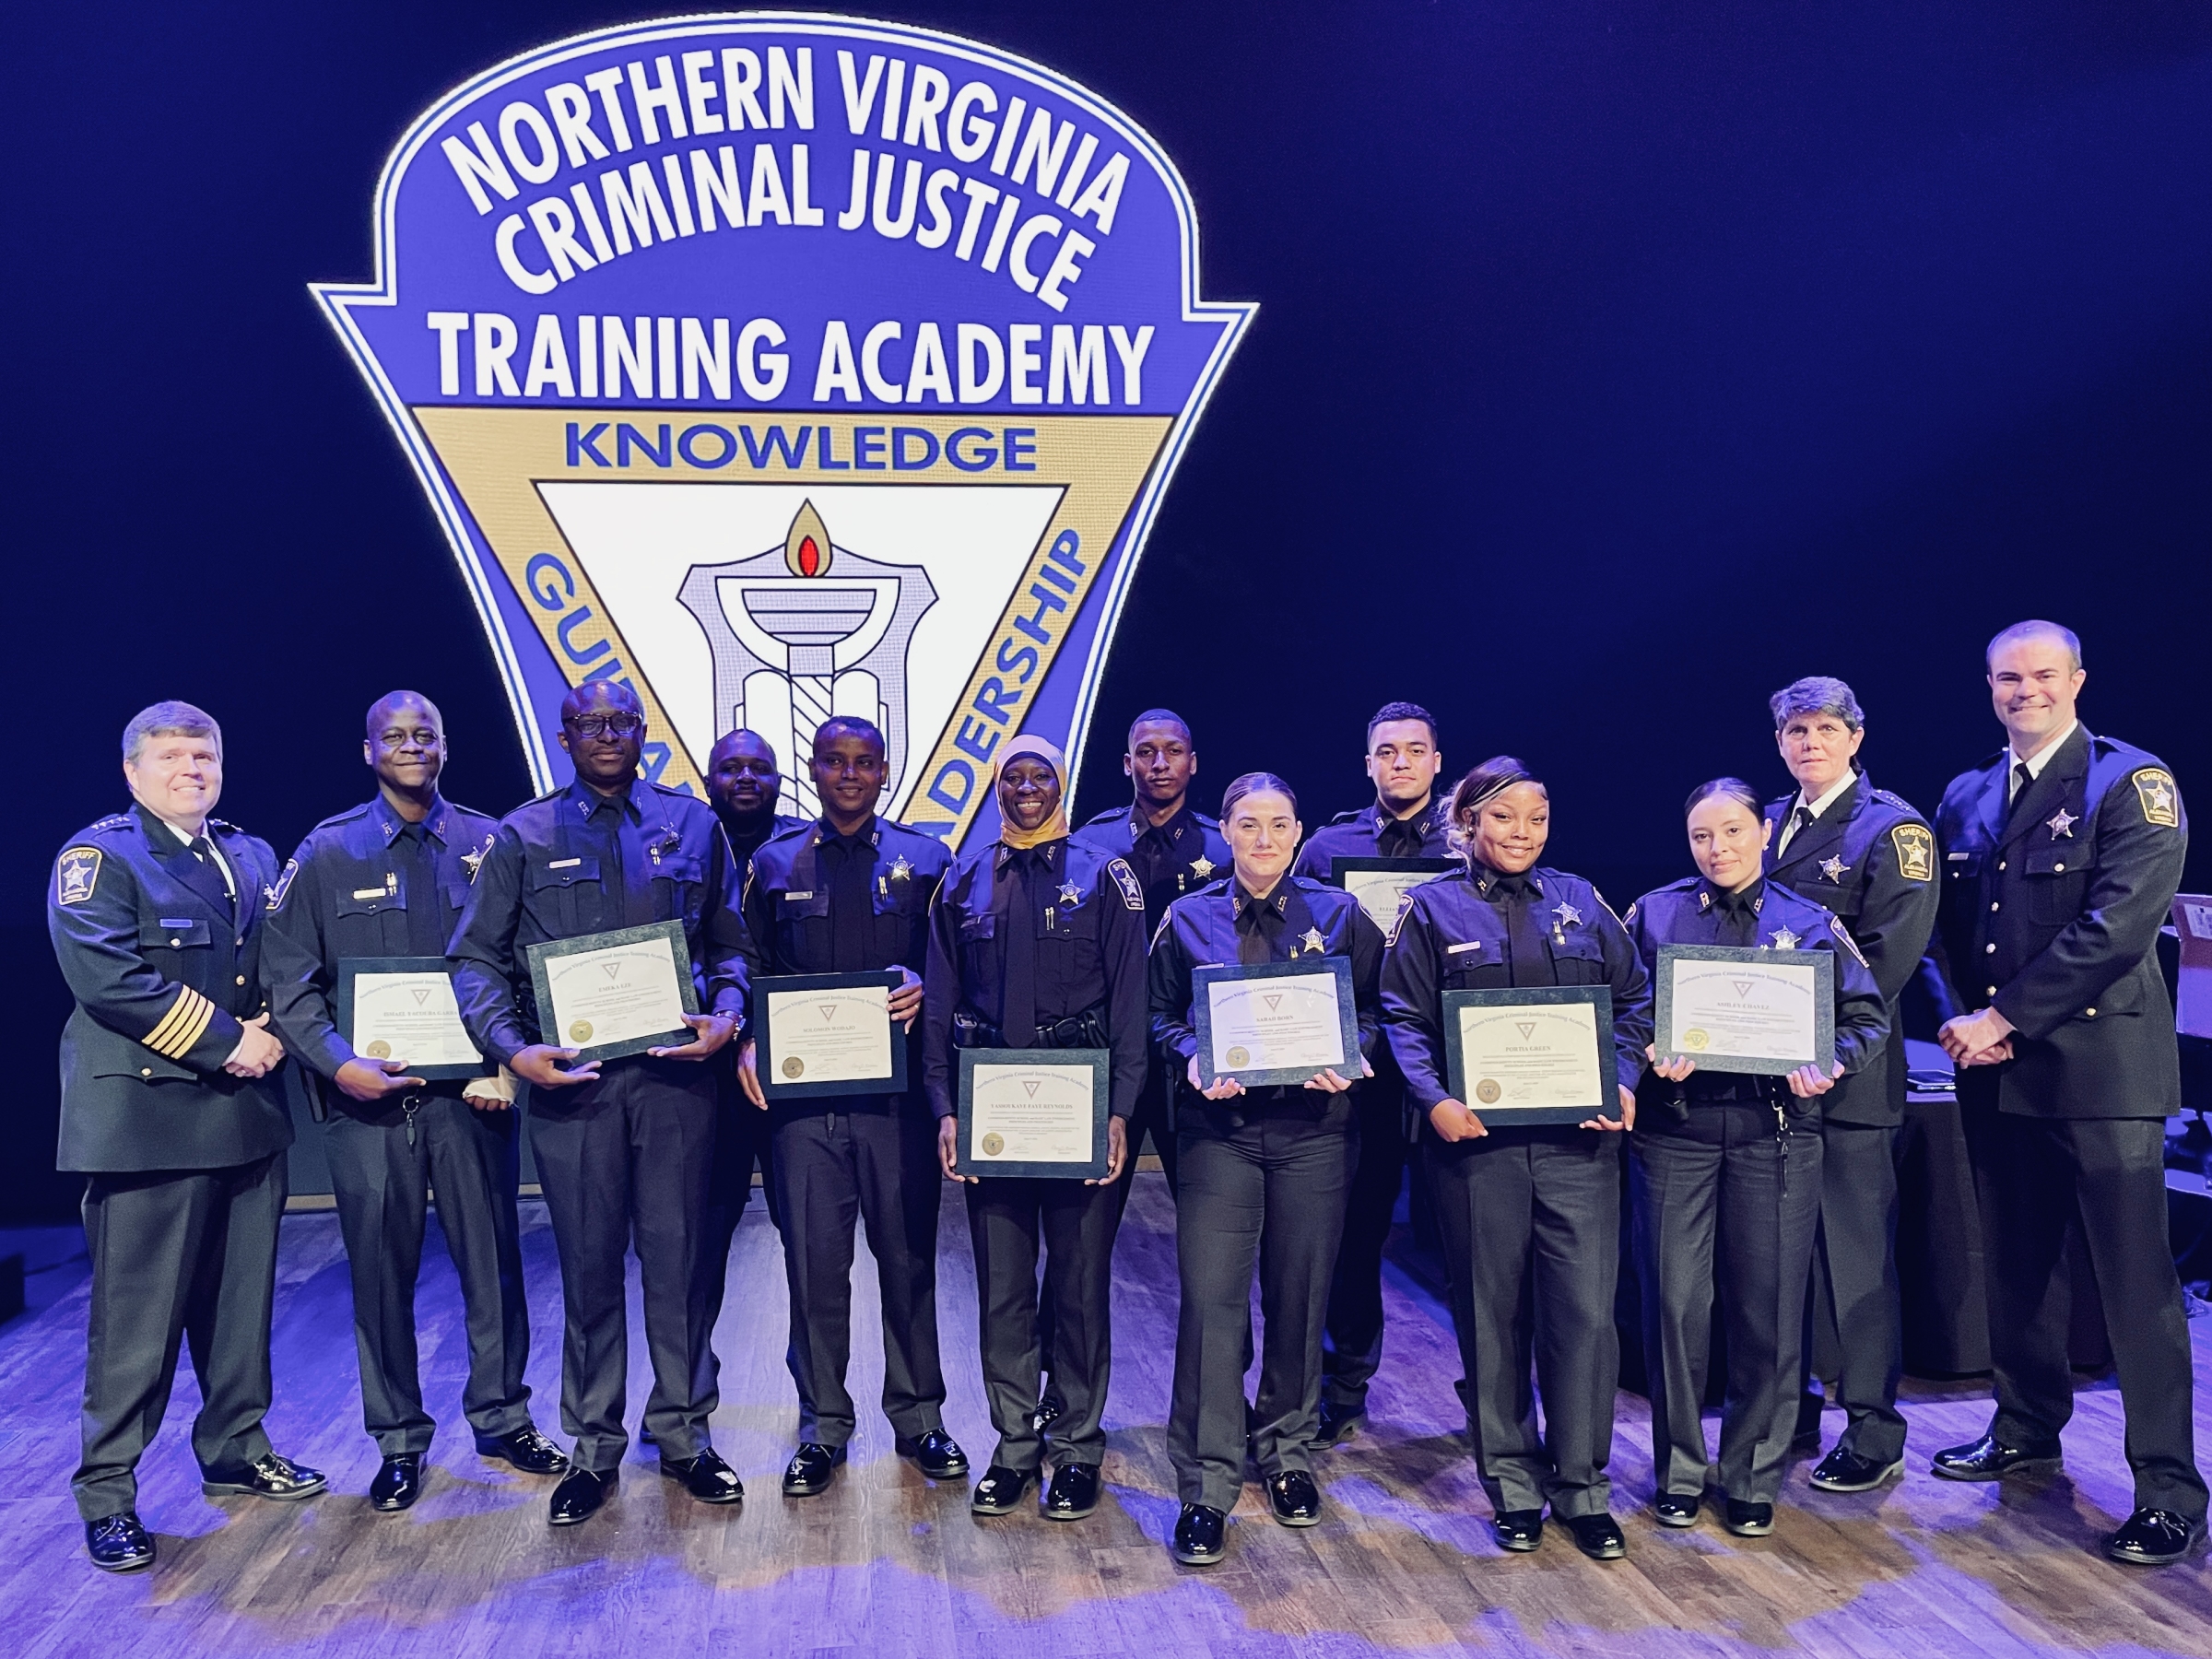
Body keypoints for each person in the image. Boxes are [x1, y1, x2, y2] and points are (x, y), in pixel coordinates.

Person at [1928, 620, 2205, 1566]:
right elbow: (1945, 932)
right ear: (1989, 686)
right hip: (1997, 1074)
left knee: (2136, 1287)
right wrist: (1964, 1023)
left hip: (2100, 1072)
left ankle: (2169, 1490)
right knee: (2017, 1266)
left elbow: (2118, 926)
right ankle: (2024, 1426)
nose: (2026, 691)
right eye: (2008, 678)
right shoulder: (1968, 793)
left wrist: (2002, 1017)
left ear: (2077, 680)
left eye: (2043, 675)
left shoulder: (2132, 782)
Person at [449, 681, 747, 1526]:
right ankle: (594, 1448)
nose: (607, 734)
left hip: (675, 1085)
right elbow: (475, 960)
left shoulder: (694, 825)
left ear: (644, 731)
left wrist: (727, 1016)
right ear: (565, 737)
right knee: (588, 1272)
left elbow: (732, 946)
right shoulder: (524, 834)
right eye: (590, 723)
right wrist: (513, 1050)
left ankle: (684, 1435)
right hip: (572, 1092)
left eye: (621, 721)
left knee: (678, 1266)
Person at [259, 692, 563, 1512]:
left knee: (493, 1265)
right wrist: (338, 1066)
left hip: (473, 1099)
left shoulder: (490, 842)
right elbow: (290, 984)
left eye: (424, 734)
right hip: (368, 1105)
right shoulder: (326, 852)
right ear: (368, 751)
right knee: (380, 1275)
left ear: (445, 746)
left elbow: (523, 960)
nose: (410, 746)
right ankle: (398, 1440)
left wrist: (503, 1063)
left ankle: (503, 1419)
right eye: (393, 736)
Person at [49, 702, 323, 1572]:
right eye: (170, 758)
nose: (191, 770)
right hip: (148, 1123)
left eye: (203, 756)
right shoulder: (99, 859)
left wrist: (284, 1025)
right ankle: (108, 1494)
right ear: (132, 773)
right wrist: (230, 1040)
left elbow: (282, 958)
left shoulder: (250, 854)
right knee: (136, 1327)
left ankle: (237, 1449)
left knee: (240, 1310)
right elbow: (109, 979)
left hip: (245, 1115)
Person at [1382, 757, 1649, 1561]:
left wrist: (1622, 1078)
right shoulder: (1431, 908)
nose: (1522, 832)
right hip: (1478, 1153)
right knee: (1492, 1320)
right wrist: (1434, 1099)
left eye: (1536, 818)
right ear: (1468, 823)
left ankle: (1583, 1488)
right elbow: (1402, 1016)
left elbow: (1634, 999)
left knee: (1586, 1320)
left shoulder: (1581, 900)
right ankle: (1513, 1485)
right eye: (1503, 818)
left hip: (1579, 1148)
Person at [1627, 778, 1888, 1537]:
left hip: (1775, 1134)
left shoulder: (1809, 921)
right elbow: (1621, 1007)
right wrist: (1648, 1052)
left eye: (1734, 832)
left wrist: (1831, 1062)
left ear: (1765, 833)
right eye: (1702, 836)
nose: (1719, 849)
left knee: (1767, 1309)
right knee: (1675, 1307)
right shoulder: (1654, 914)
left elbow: (1866, 1016)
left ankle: (1751, 1473)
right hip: (1675, 1133)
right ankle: (1679, 1472)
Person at [1149, 772, 1382, 1567]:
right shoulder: (1187, 918)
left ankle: (1286, 1453)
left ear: (1298, 832)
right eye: (1248, 824)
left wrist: (1352, 1053)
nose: (1264, 839)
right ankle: (1207, 1480)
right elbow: (1156, 1014)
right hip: (1220, 1135)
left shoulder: (1341, 915)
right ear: (1225, 832)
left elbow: (1379, 1009)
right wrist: (1190, 1055)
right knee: (1212, 1302)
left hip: (1316, 1133)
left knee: (1298, 1296)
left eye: (1279, 824)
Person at [735, 716, 968, 1496]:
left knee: (908, 1264)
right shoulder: (773, 863)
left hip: (897, 1108)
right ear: (814, 769)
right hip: (803, 1113)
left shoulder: (928, 861)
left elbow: (961, 967)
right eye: (834, 761)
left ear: (885, 771)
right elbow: (746, 964)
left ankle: (920, 1418)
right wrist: (747, 1038)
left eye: (864, 762)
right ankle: (823, 1427)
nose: (849, 775)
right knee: (814, 1270)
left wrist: (928, 984)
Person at [924, 735, 1147, 1523]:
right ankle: (1015, 1444)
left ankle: (1078, 1446)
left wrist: (1120, 1112)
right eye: (1012, 776)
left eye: (1040, 774)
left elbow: (1131, 1004)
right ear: (996, 787)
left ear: (1062, 782)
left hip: (1078, 1104)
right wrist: (945, 1108)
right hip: (994, 1110)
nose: (1026, 787)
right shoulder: (963, 880)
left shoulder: (1106, 876)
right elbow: (942, 1003)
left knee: (1080, 1286)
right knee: (1004, 1288)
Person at [1759, 677, 1938, 1493]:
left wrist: (1807, 1044)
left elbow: (1886, 965)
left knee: (1856, 1266)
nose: (1810, 744)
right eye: (1796, 731)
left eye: (1826, 729)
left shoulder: (1893, 830)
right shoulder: (1764, 822)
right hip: (1767, 1084)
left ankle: (1873, 1429)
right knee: (1780, 1262)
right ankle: (1789, 1410)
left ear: (1856, 737)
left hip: (1848, 1081)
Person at [1294, 700, 1450, 1447]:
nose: (1401, 763)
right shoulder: (1329, 846)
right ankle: (1343, 1385)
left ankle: (1495, 1405)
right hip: (1361, 1071)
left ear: (1437, 762)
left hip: (1451, 1067)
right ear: (1368, 764)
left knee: (1471, 1245)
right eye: (1387, 752)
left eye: (1414, 750)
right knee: (1353, 1237)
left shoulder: (1469, 839)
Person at [1072, 707, 1231, 1194]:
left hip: (1190, 1047)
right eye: (1146, 752)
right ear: (1127, 764)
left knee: (1207, 1208)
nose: (1160, 763)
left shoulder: (1224, 848)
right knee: (1091, 1206)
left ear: (1193, 763)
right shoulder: (1089, 845)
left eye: (1173, 751)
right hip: (1110, 1044)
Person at [698, 729, 805, 1381]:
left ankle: (815, 1390)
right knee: (703, 1238)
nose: (745, 778)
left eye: (759, 768)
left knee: (808, 1239)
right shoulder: (683, 843)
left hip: (793, 1073)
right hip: (706, 1079)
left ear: (779, 781)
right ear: (707, 780)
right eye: (731, 768)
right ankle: (688, 1385)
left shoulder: (804, 849)